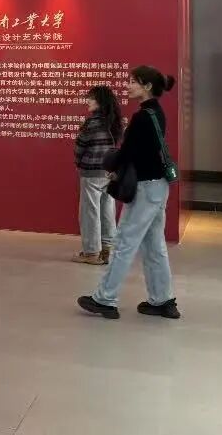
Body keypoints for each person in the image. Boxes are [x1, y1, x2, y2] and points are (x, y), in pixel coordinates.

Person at [78, 66, 181, 321]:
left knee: (124, 242)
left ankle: (105, 298)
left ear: (147, 86)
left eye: (133, 82)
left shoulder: (142, 117)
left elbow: (128, 152)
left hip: (145, 188)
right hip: (158, 186)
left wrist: (113, 166)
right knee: (154, 245)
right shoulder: (156, 113)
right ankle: (162, 300)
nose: (128, 86)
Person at [72, 85, 124, 265]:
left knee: (90, 212)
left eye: (91, 98)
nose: (88, 101)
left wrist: (78, 162)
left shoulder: (92, 123)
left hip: (91, 172)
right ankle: (108, 249)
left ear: (100, 102)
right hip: (108, 172)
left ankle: (91, 252)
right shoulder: (113, 123)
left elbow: (80, 147)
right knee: (107, 210)